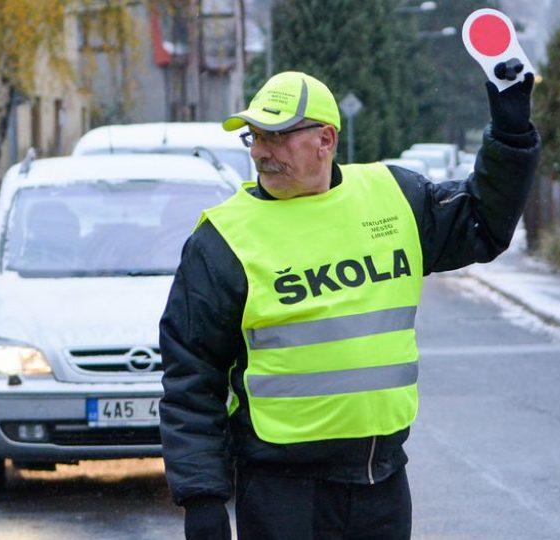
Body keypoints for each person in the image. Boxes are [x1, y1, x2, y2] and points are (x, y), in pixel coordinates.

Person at [159, 70, 540, 539]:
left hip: (381, 482)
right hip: (282, 492)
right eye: (254, 137)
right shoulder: (223, 238)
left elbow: (483, 221)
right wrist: (202, 498)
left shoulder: (392, 199)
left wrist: (511, 131)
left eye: (276, 137)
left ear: (326, 139)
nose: (260, 151)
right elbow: (192, 377)